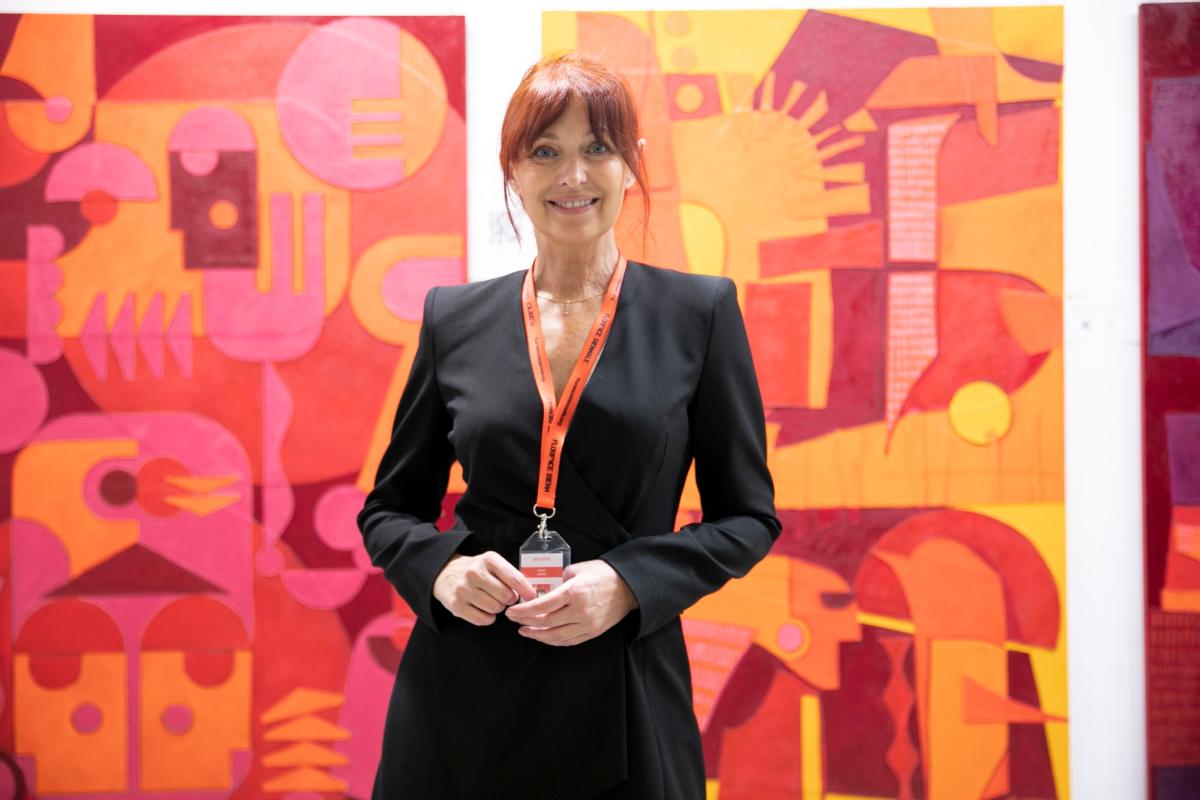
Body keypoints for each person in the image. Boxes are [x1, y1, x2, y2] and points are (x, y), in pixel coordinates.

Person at [357, 52, 780, 799]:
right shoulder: (453, 318)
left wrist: (629, 582)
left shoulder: (700, 313)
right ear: (513, 168)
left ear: (631, 164)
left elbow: (748, 518)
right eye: (545, 151)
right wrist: (444, 570)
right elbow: (389, 509)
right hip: (464, 692)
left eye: (597, 148)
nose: (573, 175)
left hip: (624, 681)